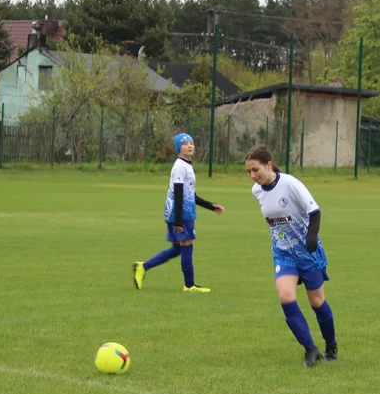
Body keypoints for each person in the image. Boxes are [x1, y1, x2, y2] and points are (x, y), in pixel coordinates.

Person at [244, 145, 337, 367]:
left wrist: (312, 238)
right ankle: (310, 349)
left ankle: (331, 346)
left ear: (268, 165)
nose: (252, 176)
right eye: (249, 172)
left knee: (317, 302)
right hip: (283, 253)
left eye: (255, 170)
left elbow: (315, 211)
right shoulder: (256, 191)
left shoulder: (291, 184)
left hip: (307, 252)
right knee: (286, 296)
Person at [133, 133, 224, 292]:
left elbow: (190, 194)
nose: (190, 146)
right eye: (185, 143)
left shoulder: (186, 165)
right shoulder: (180, 166)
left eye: (191, 143)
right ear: (178, 148)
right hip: (181, 212)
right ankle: (189, 285)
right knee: (187, 245)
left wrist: (210, 206)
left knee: (177, 248)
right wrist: (178, 220)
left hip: (180, 211)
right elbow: (178, 192)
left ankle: (143, 267)